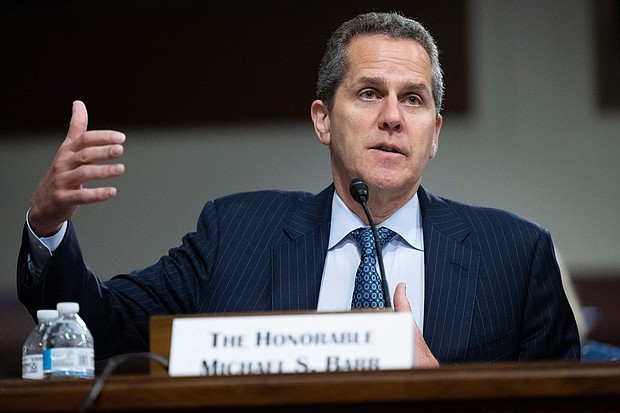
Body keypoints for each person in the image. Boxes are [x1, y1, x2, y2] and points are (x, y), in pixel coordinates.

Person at [17, 12, 580, 366]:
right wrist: (47, 226)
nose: (392, 117)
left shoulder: (515, 255)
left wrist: (439, 393)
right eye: (367, 93)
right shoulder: (235, 234)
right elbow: (101, 326)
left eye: (413, 99)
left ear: (434, 132)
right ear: (323, 120)